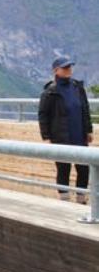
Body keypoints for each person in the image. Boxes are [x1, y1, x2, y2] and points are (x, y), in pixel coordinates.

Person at [38, 56, 94, 203]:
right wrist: (46, 137)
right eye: (65, 67)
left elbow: (85, 109)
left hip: (79, 135)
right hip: (61, 136)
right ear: (56, 70)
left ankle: (81, 198)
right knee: (63, 168)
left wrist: (88, 130)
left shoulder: (77, 87)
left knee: (83, 168)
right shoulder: (50, 91)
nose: (69, 69)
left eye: (70, 67)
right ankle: (64, 199)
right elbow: (43, 115)